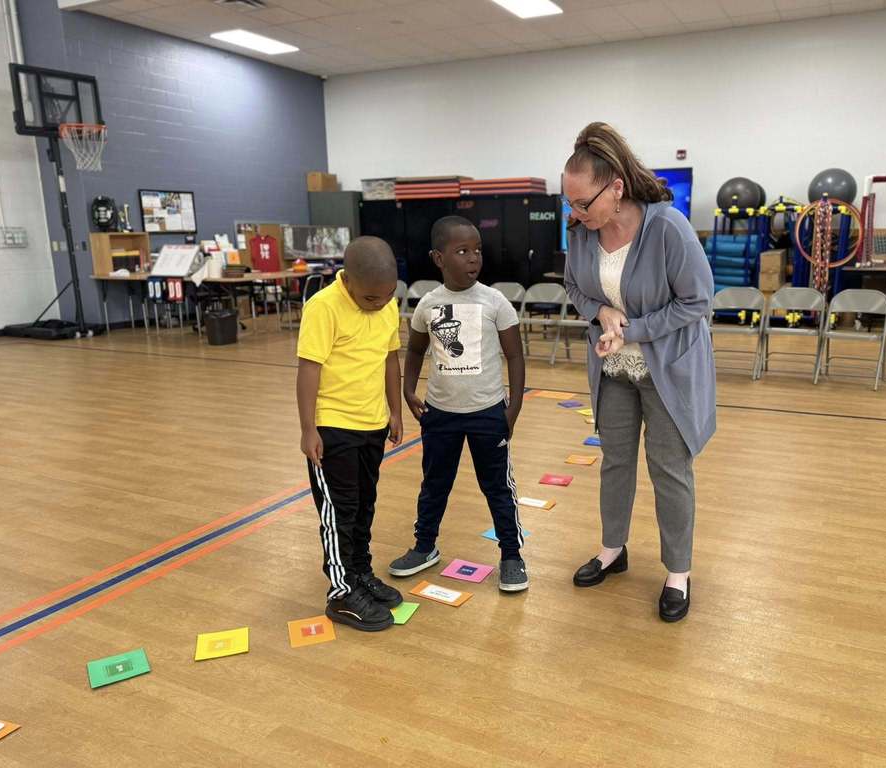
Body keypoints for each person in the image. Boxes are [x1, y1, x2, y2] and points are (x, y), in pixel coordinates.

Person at [562, 122, 716, 622]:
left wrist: (634, 330)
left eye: (583, 203)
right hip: (613, 368)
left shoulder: (667, 227)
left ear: (617, 189)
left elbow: (697, 301)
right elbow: (575, 289)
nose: (575, 213)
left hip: (667, 367)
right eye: (570, 202)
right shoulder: (581, 233)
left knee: (670, 470)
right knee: (615, 461)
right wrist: (601, 314)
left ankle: (677, 572)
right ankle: (613, 549)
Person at [388, 216, 529, 592]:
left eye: (477, 251)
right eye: (462, 251)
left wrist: (512, 408)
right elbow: (415, 350)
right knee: (434, 484)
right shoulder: (428, 305)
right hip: (440, 415)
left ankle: (512, 555)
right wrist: (408, 390)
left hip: (487, 414)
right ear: (438, 258)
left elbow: (515, 357)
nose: (473, 259)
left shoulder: (494, 301)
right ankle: (424, 547)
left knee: (497, 487)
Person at [296, 236, 405, 632]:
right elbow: (309, 368)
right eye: (370, 298)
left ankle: (359, 572)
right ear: (348, 282)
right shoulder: (323, 307)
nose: (379, 304)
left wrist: (394, 410)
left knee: (364, 506)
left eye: (387, 295)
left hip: (372, 424)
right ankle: (340, 591)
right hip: (332, 428)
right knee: (338, 511)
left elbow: (390, 358)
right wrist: (309, 429)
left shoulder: (388, 301)